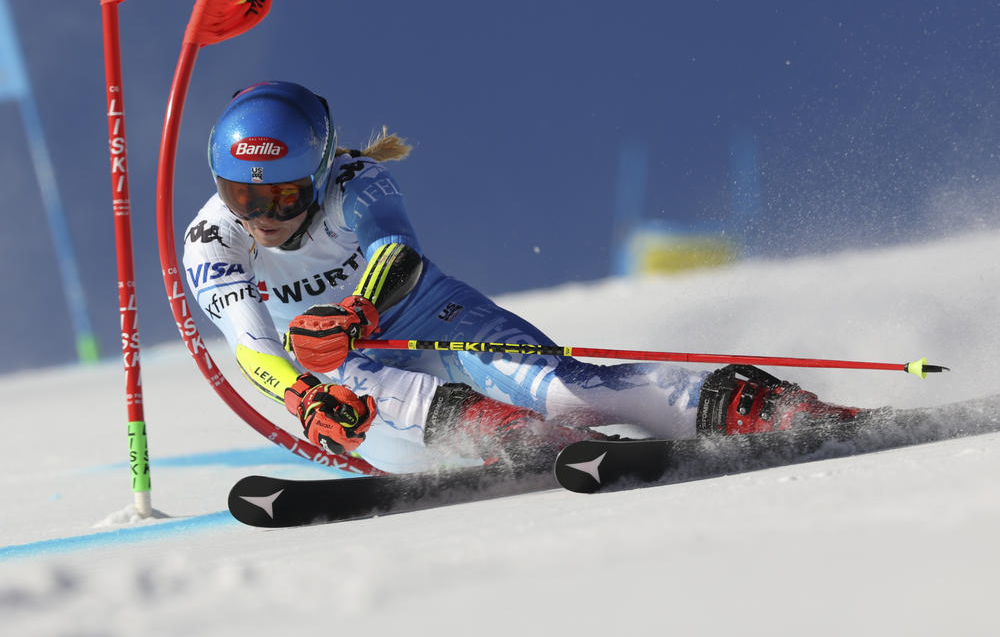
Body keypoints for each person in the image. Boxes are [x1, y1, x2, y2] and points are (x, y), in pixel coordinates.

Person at [182, 81, 865, 474]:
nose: (263, 215)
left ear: (321, 170)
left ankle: (752, 408)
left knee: (566, 388)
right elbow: (252, 346)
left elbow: (397, 251)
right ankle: (504, 435)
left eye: (283, 195)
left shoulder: (356, 180)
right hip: (347, 358)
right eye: (244, 196)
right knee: (346, 378)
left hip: (422, 311)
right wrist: (304, 397)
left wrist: (359, 308)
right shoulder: (212, 241)